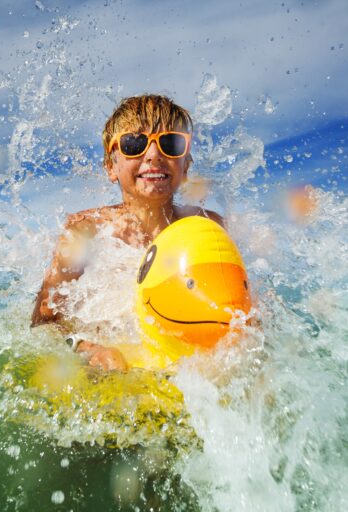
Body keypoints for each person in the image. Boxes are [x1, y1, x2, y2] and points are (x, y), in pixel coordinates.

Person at [31, 94, 223, 371]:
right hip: (107, 376)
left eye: (171, 144)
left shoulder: (209, 229)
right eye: (134, 144)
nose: (154, 155)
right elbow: (44, 324)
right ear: (111, 167)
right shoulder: (87, 230)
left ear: (186, 166)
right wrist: (88, 348)